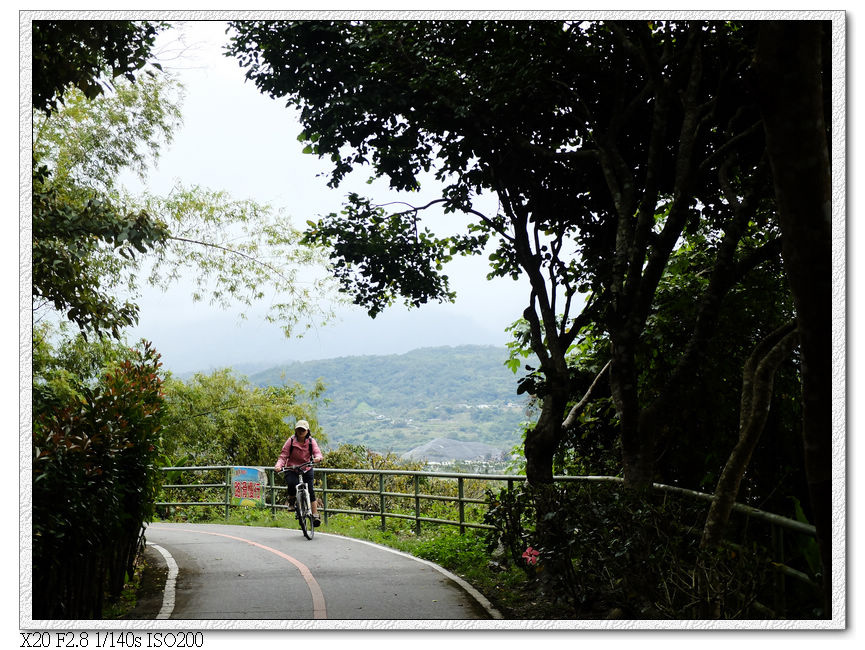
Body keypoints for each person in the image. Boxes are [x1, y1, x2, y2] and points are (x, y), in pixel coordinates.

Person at [275, 419, 324, 526]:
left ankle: (315, 514)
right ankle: (292, 502)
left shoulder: (311, 441)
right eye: (299, 429)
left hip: (306, 468)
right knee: (292, 483)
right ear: (296, 430)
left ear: (307, 431)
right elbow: (283, 456)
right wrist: (279, 465)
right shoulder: (291, 441)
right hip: (292, 468)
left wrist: (317, 458)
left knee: (310, 489)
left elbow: (318, 453)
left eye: (303, 430)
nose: (301, 432)